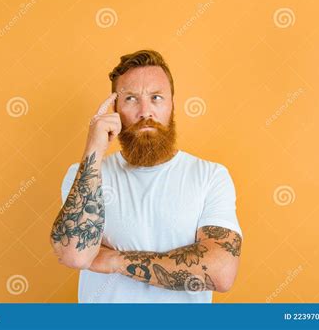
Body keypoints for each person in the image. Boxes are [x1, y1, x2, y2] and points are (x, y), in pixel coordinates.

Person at [50, 49, 243, 303]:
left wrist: (116, 261)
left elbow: (220, 272)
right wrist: (94, 149)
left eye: (156, 97)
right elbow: (74, 254)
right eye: (131, 98)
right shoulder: (85, 174)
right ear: (115, 109)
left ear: (172, 104)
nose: (145, 112)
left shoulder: (210, 177)